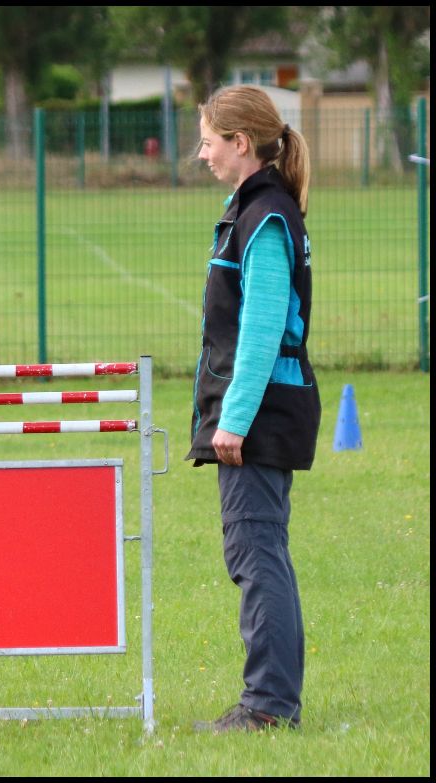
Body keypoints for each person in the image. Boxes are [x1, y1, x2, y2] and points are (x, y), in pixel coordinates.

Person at [187, 85, 321, 733]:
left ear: (241, 144)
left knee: (255, 553)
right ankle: (275, 698)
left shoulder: (264, 216)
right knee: (262, 550)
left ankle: (268, 705)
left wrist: (231, 420)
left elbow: (263, 328)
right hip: (262, 414)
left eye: (210, 140)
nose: (203, 153)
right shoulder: (257, 208)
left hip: (258, 418)